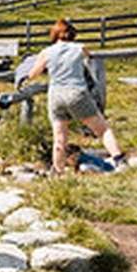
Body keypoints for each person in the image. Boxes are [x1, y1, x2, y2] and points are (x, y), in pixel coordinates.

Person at [21, 18, 126, 173]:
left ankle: (58, 170)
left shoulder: (46, 52)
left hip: (56, 96)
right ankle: (119, 159)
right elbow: (89, 58)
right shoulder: (80, 48)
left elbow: (33, 74)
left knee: (59, 137)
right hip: (76, 92)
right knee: (102, 129)